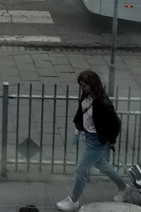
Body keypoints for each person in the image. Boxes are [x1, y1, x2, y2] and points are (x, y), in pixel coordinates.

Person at [56, 70, 128, 211]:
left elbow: (115, 123)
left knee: (81, 169)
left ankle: (74, 200)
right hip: (89, 136)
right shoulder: (87, 96)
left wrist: (110, 140)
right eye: (81, 86)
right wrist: (78, 130)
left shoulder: (103, 103)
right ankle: (124, 188)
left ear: (93, 85)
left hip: (97, 141)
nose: (82, 89)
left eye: (84, 86)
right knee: (101, 164)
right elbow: (82, 114)